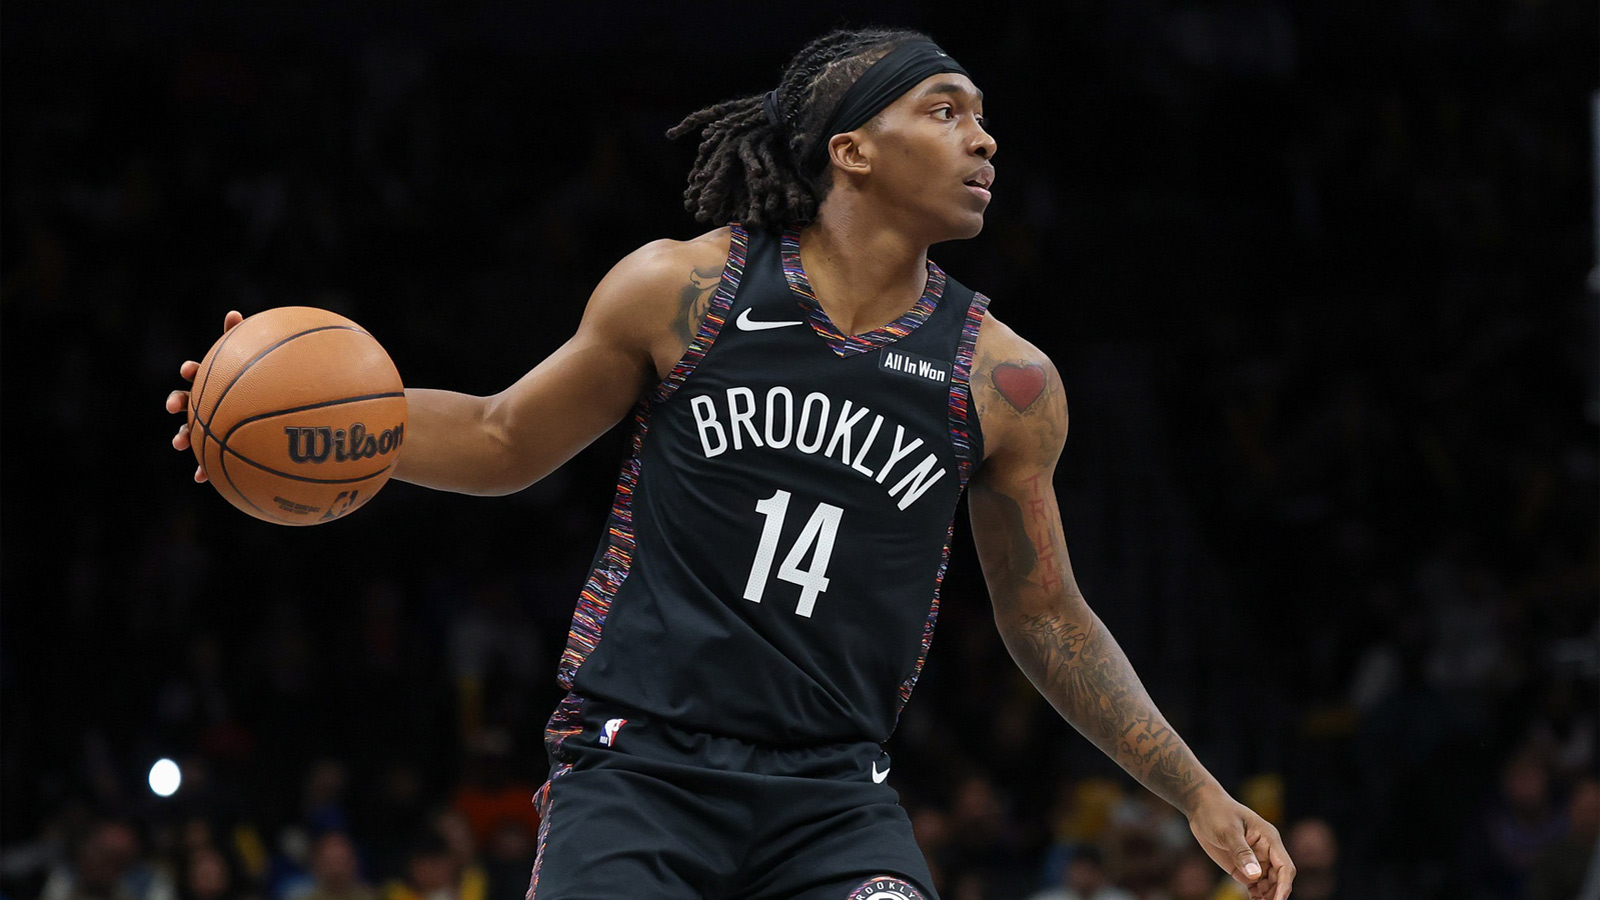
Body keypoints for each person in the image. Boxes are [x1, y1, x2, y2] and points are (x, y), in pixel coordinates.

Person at [167, 27, 1295, 900]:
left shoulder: (1004, 380)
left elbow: (1046, 619)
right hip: (638, 768)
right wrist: (324, 417)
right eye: (945, 111)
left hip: (832, 795)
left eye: (984, 118)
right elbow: (507, 439)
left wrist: (1196, 791)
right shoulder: (686, 289)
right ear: (850, 148)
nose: (984, 140)